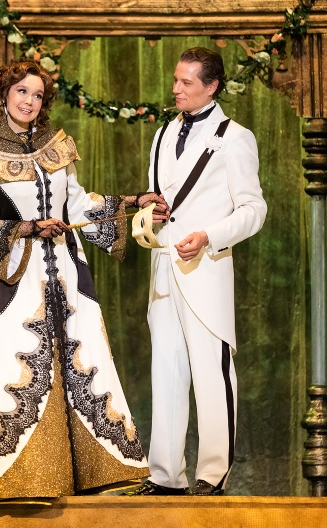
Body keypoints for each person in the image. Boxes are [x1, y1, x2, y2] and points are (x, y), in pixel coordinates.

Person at [0, 59, 165, 501]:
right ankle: (9, 478)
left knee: (84, 361)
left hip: (68, 275)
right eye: (22, 91)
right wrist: (27, 227)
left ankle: (87, 476)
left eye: (37, 95)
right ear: (4, 95)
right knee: (11, 366)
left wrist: (134, 200)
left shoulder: (58, 147)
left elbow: (78, 205)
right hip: (18, 278)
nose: (29, 101)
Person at [129, 47, 267, 496]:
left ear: (212, 87)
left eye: (186, 82)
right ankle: (165, 475)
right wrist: (150, 213)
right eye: (176, 79)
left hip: (205, 269)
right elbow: (161, 197)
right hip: (163, 269)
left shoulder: (235, 138)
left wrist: (210, 235)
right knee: (166, 372)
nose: (176, 89)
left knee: (212, 374)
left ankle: (212, 475)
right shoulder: (164, 133)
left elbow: (254, 209)